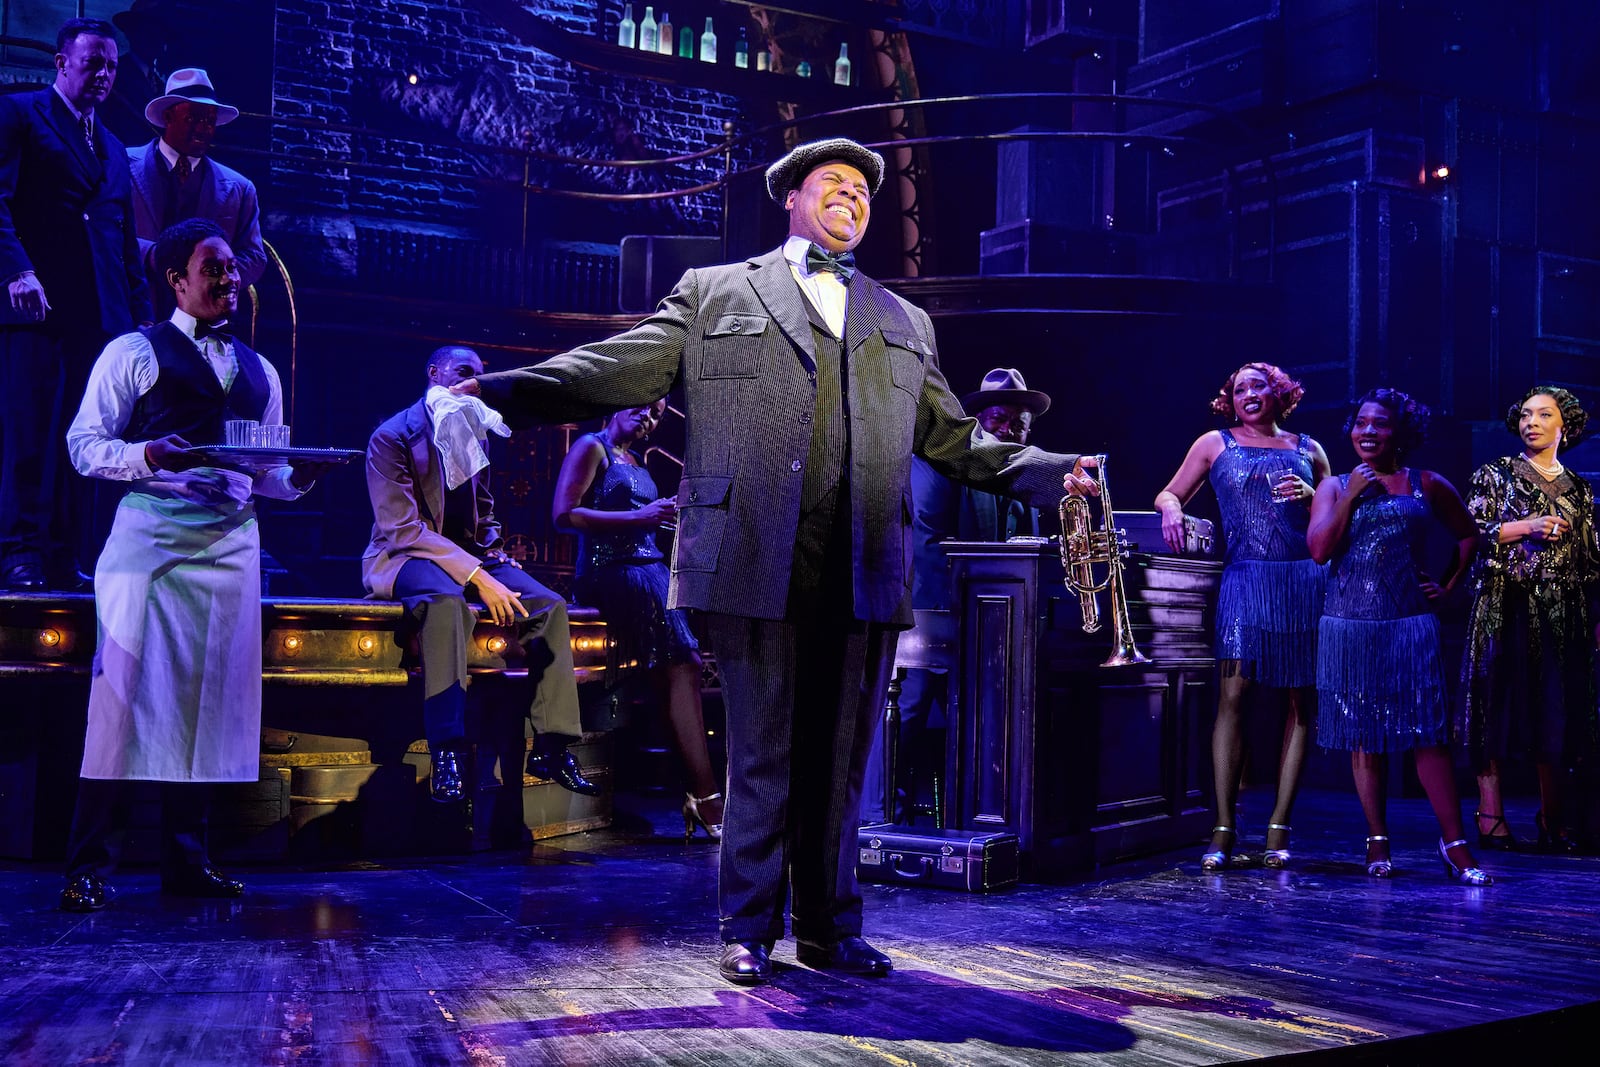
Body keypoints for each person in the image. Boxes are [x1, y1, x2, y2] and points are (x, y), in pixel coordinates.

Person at [454, 137, 1095, 984]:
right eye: (835, 183)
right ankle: (747, 926)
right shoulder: (717, 291)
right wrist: (500, 391)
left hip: (866, 560)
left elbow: (954, 439)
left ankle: (832, 926)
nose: (854, 197)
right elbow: (615, 368)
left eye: (866, 191)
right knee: (762, 750)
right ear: (790, 197)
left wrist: (1054, 472)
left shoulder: (905, 321)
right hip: (757, 552)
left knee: (841, 757)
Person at [57, 218, 337, 911]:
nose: (228, 279)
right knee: (119, 700)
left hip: (228, 546)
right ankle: (90, 862)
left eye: (233, 269)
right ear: (175, 278)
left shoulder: (259, 370)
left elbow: (263, 471)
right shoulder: (134, 352)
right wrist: (147, 455)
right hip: (150, 539)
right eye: (212, 268)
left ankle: (187, 859)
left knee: (211, 704)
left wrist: (298, 478)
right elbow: (84, 444)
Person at [361, 345, 600, 807]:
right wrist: (478, 577)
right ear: (434, 373)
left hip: (470, 556)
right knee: (445, 600)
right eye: (463, 373)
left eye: (478, 377)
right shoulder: (391, 436)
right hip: (405, 554)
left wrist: (493, 556)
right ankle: (446, 747)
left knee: (549, 605)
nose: (472, 384)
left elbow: (483, 509)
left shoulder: (473, 432)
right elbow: (403, 528)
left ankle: (552, 746)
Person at [1307, 387, 1490, 885]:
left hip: (1410, 625)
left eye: (1379, 424)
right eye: (1361, 422)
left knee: (1428, 736)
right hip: (1348, 626)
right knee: (1364, 737)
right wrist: (1348, 497)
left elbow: (1469, 534)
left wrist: (1449, 586)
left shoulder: (1424, 483)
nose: (1367, 431)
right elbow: (1320, 550)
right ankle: (1377, 840)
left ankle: (1454, 844)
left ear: (1399, 433)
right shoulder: (1333, 486)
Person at [1154, 363, 1331, 870]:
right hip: (1246, 580)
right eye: (1238, 388)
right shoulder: (1214, 443)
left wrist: (1316, 495)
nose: (1248, 394)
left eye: (1258, 386)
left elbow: (1336, 517)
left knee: (1301, 703)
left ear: (1280, 394)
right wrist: (1172, 509)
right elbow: (1170, 491)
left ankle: (1279, 826)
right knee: (1233, 696)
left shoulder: (1308, 448)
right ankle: (1224, 826)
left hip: (1303, 581)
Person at [0, 17, 151, 590]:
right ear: (62, 62)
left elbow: (122, 236)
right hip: (36, 308)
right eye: (93, 63)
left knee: (80, 437)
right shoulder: (20, 114)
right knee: (28, 432)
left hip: (100, 317)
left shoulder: (113, 146)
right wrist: (17, 269)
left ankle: (63, 553)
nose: (105, 75)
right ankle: (19, 553)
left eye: (111, 65)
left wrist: (139, 318)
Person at [860, 366, 1049, 825]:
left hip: (990, 621)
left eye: (1020, 425)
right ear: (979, 421)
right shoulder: (944, 462)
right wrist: (947, 615)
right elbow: (929, 540)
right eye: (1001, 421)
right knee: (907, 711)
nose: (1011, 431)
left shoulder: (1020, 475)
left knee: (982, 722)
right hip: (932, 610)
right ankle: (877, 818)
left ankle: (979, 819)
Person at [551, 399, 724, 838]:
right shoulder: (593, 448)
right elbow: (564, 514)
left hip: (648, 568)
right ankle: (705, 798)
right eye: (644, 408)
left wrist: (660, 519)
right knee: (681, 666)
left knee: (681, 669)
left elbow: (640, 522)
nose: (649, 418)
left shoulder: (635, 462)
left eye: (658, 415)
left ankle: (700, 794)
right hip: (612, 572)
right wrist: (639, 516)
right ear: (618, 404)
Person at [1458, 386, 1600, 853]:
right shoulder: (1495, 474)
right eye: (1524, 414)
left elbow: (1591, 558)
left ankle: (1554, 816)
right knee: (1496, 706)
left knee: (1557, 712)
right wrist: (1527, 527)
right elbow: (1469, 533)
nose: (1531, 422)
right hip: (1506, 603)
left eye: (1543, 414)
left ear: (1566, 425)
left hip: (1564, 610)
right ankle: (1490, 814)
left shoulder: (1579, 488)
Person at [128, 68, 266, 320]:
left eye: (210, 120)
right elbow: (104, 233)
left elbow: (255, 256)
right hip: (132, 308)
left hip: (201, 323)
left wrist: (213, 278)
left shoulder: (239, 188)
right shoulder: (122, 166)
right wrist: (153, 254)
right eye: (193, 118)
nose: (203, 129)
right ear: (169, 116)